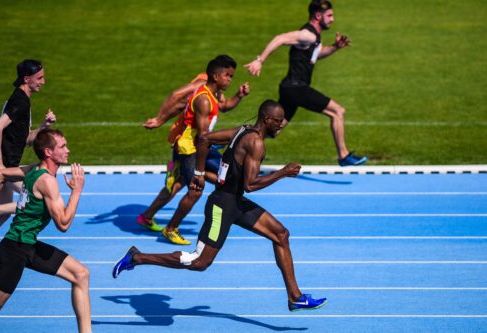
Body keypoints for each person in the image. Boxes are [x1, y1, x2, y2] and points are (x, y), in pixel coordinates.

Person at [113, 100, 327, 312]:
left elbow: (205, 139)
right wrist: (282, 173)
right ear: (267, 119)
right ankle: (136, 257)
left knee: (281, 235)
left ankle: (295, 297)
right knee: (199, 262)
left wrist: (198, 173)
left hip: (235, 202)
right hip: (222, 206)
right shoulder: (256, 143)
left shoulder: (242, 131)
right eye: (278, 121)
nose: (282, 125)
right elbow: (251, 185)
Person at [137, 55, 250, 245]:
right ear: (215, 75)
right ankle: (171, 229)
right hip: (190, 147)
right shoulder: (203, 99)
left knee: (182, 184)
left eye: (232, 76)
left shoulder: (213, 93)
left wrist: (239, 95)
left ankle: (148, 215)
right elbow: (202, 133)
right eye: (227, 76)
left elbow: (224, 107)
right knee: (197, 188)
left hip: (197, 144)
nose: (230, 80)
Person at [0, 129, 91, 332]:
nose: (68, 150)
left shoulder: (34, 168)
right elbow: (63, 225)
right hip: (15, 249)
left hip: (28, 245)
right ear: (48, 152)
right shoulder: (47, 182)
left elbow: (2, 173)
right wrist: (77, 191)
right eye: (62, 146)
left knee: (81, 274)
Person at [244, 0, 367, 166]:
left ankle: (232, 140)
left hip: (291, 89)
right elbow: (280, 38)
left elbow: (317, 53)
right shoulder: (307, 35)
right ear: (318, 15)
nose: (332, 19)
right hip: (296, 88)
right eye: (329, 15)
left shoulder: (314, 37)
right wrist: (260, 60)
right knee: (337, 111)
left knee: (272, 130)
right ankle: (343, 156)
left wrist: (335, 47)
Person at [0, 59, 56, 271]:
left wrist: (43, 126)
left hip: (8, 165)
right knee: (32, 200)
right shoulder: (20, 101)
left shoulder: (22, 100)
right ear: (27, 79)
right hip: (6, 168)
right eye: (40, 78)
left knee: (4, 214)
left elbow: (25, 139)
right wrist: (0, 165)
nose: (43, 82)